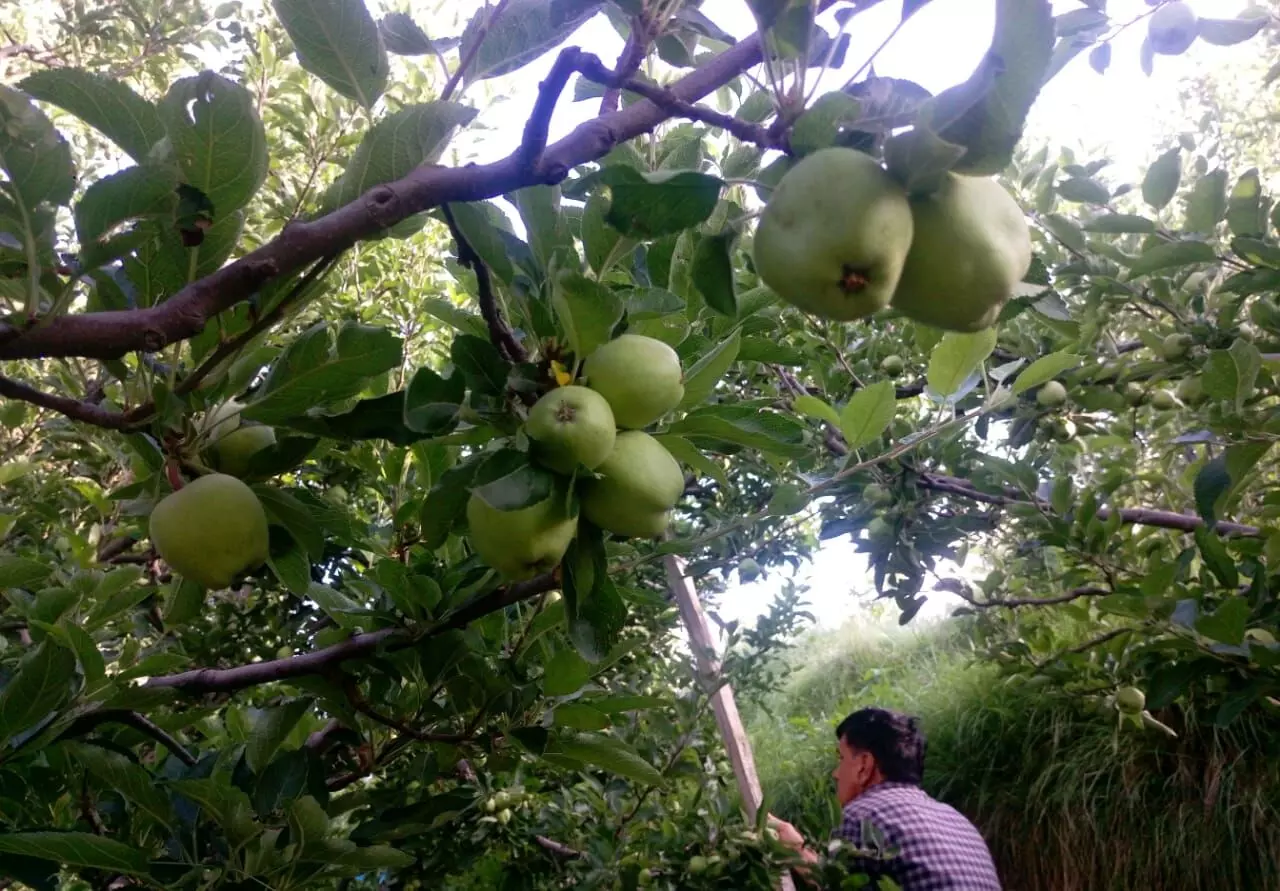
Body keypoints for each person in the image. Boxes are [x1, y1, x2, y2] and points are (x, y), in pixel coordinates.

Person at [768, 707, 1001, 890]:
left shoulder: (860, 817)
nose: (836, 773)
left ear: (864, 766)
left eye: (841, 759)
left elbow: (839, 886)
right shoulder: (956, 819)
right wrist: (798, 850)